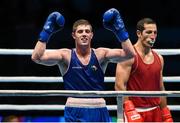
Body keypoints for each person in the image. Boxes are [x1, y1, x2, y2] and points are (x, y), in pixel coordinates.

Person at [32, 8, 135, 122]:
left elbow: (130, 54)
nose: (84, 34)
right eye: (80, 31)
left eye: (87, 31)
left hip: (98, 107)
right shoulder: (66, 55)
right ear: (73, 35)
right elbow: (37, 57)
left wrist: (120, 31)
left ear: (92, 35)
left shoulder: (101, 54)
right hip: (74, 108)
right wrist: (47, 32)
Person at [115, 18, 173, 122]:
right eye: (149, 32)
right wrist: (130, 110)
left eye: (155, 32)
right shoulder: (129, 56)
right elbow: (119, 85)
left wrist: (165, 112)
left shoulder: (159, 58)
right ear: (139, 33)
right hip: (135, 110)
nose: (153, 36)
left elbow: (161, 87)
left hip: (156, 111)